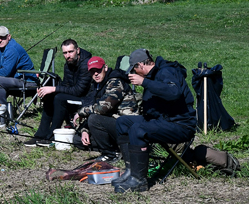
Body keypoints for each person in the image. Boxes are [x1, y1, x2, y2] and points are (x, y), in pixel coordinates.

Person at [113, 49, 196, 193]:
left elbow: (173, 92)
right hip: (162, 120)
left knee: (138, 129)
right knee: (123, 122)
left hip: (180, 125)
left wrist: (144, 82)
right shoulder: (153, 75)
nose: (134, 73)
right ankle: (131, 171)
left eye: (134, 69)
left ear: (140, 65)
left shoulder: (166, 71)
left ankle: (139, 181)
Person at [27, 39, 92, 148]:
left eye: (71, 52)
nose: (68, 55)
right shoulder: (68, 64)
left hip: (86, 99)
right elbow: (66, 85)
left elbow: (79, 90)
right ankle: (40, 135)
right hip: (75, 96)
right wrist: (47, 92)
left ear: (78, 50)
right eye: (65, 53)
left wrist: (54, 89)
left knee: (59, 98)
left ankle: (52, 136)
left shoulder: (86, 64)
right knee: (50, 97)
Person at [72, 56, 139, 161]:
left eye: (98, 70)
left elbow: (103, 108)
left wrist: (81, 112)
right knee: (78, 139)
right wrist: (85, 130)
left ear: (105, 68)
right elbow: (95, 109)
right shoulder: (97, 85)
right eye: (92, 71)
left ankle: (111, 154)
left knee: (94, 119)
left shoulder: (116, 82)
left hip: (128, 126)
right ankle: (119, 149)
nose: (95, 74)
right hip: (113, 124)